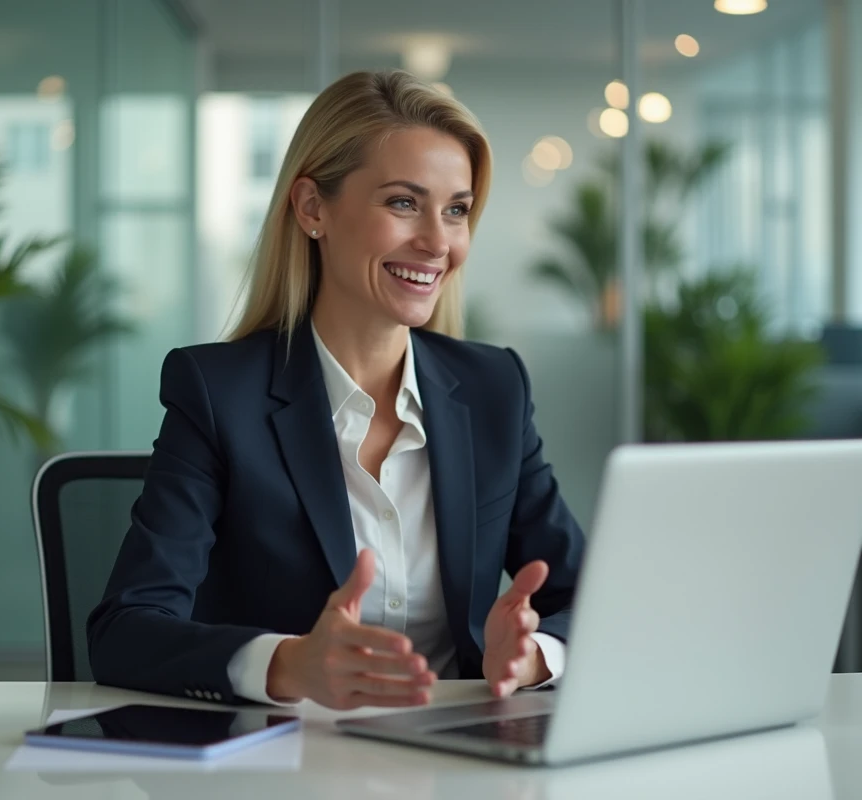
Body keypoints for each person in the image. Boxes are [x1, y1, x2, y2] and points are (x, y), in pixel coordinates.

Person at [87, 69, 586, 711]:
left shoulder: (494, 389)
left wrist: (532, 656)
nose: (438, 242)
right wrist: (288, 665)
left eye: (456, 210)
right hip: (292, 763)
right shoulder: (218, 394)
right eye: (404, 203)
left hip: (462, 759)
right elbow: (124, 630)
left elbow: (585, 596)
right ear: (312, 208)